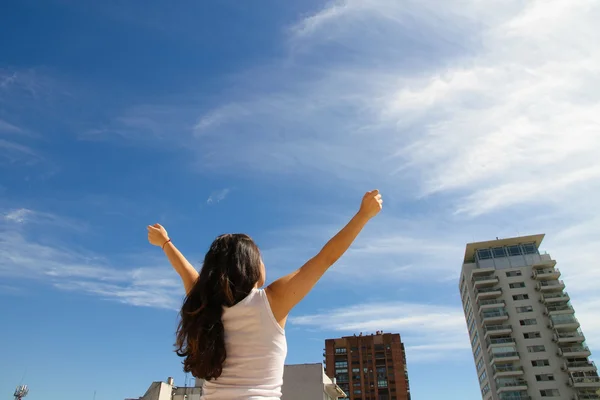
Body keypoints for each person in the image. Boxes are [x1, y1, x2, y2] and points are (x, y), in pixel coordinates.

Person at [147, 189, 383, 399]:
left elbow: (185, 271)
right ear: (249, 266)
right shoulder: (271, 301)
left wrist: (165, 243)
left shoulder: (204, 305)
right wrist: (363, 215)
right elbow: (324, 259)